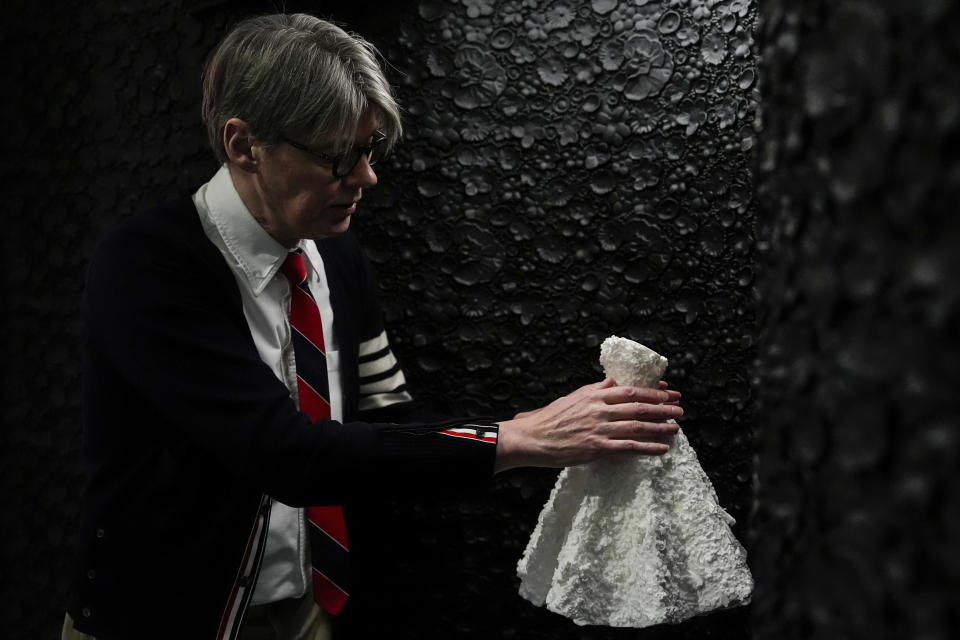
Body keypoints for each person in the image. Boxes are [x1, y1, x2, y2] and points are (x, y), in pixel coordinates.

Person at [63, 13, 682, 640]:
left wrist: (561, 425)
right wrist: (517, 438)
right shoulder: (149, 266)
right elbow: (285, 455)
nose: (366, 178)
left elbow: (385, 424)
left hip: (309, 609)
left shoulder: (334, 254)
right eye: (338, 156)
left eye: (368, 150)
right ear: (244, 144)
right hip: (160, 618)